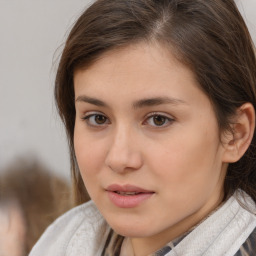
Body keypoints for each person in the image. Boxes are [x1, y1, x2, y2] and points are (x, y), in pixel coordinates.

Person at [29, 0, 256, 255]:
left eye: (158, 119)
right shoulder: (61, 242)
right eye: (97, 118)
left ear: (235, 134)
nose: (119, 159)